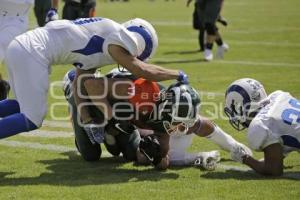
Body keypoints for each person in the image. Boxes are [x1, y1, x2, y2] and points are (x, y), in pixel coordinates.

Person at [0, 17, 188, 141]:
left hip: (22, 46)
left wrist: (89, 120)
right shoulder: (122, 38)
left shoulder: (103, 41)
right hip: (33, 52)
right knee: (33, 118)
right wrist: (177, 74)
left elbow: (79, 84)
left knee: (18, 106)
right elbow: (141, 70)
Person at [71, 68, 252, 170]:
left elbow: (164, 158)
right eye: (176, 120)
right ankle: (70, 94)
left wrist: (234, 146)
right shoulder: (135, 91)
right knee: (90, 155)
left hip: (129, 121)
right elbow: (90, 85)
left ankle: (117, 134)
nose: (177, 126)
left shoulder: (170, 116)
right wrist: (102, 118)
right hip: (93, 101)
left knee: (135, 154)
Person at [224, 78, 300, 176]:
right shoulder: (278, 95)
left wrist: (245, 158)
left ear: (241, 106)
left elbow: (274, 170)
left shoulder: (261, 124)